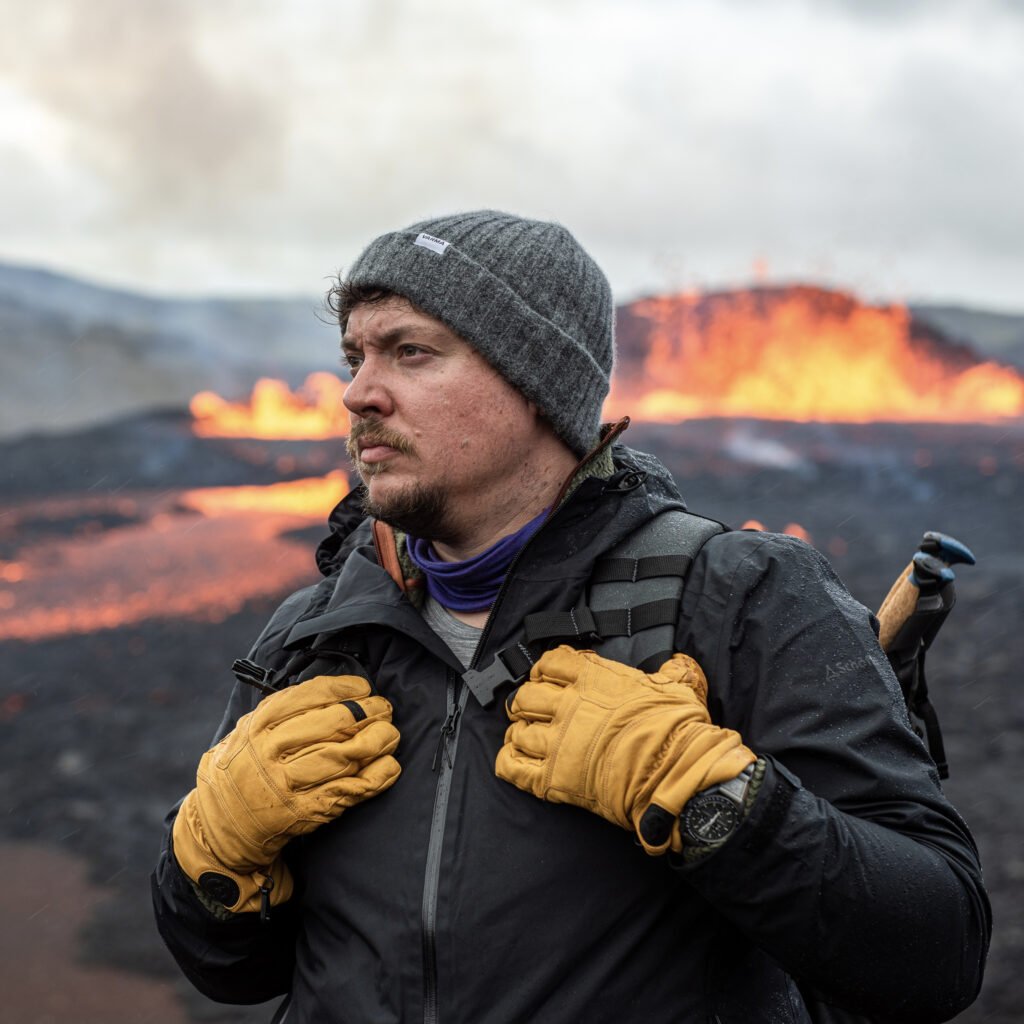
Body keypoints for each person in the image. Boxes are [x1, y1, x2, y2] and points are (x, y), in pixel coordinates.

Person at [153, 210, 990, 1023]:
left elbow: (938, 953)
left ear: (538, 385)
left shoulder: (736, 597)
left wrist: (718, 803)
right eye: (355, 357)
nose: (359, 394)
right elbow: (235, 973)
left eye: (410, 352)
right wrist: (210, 859)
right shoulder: (317, 630)